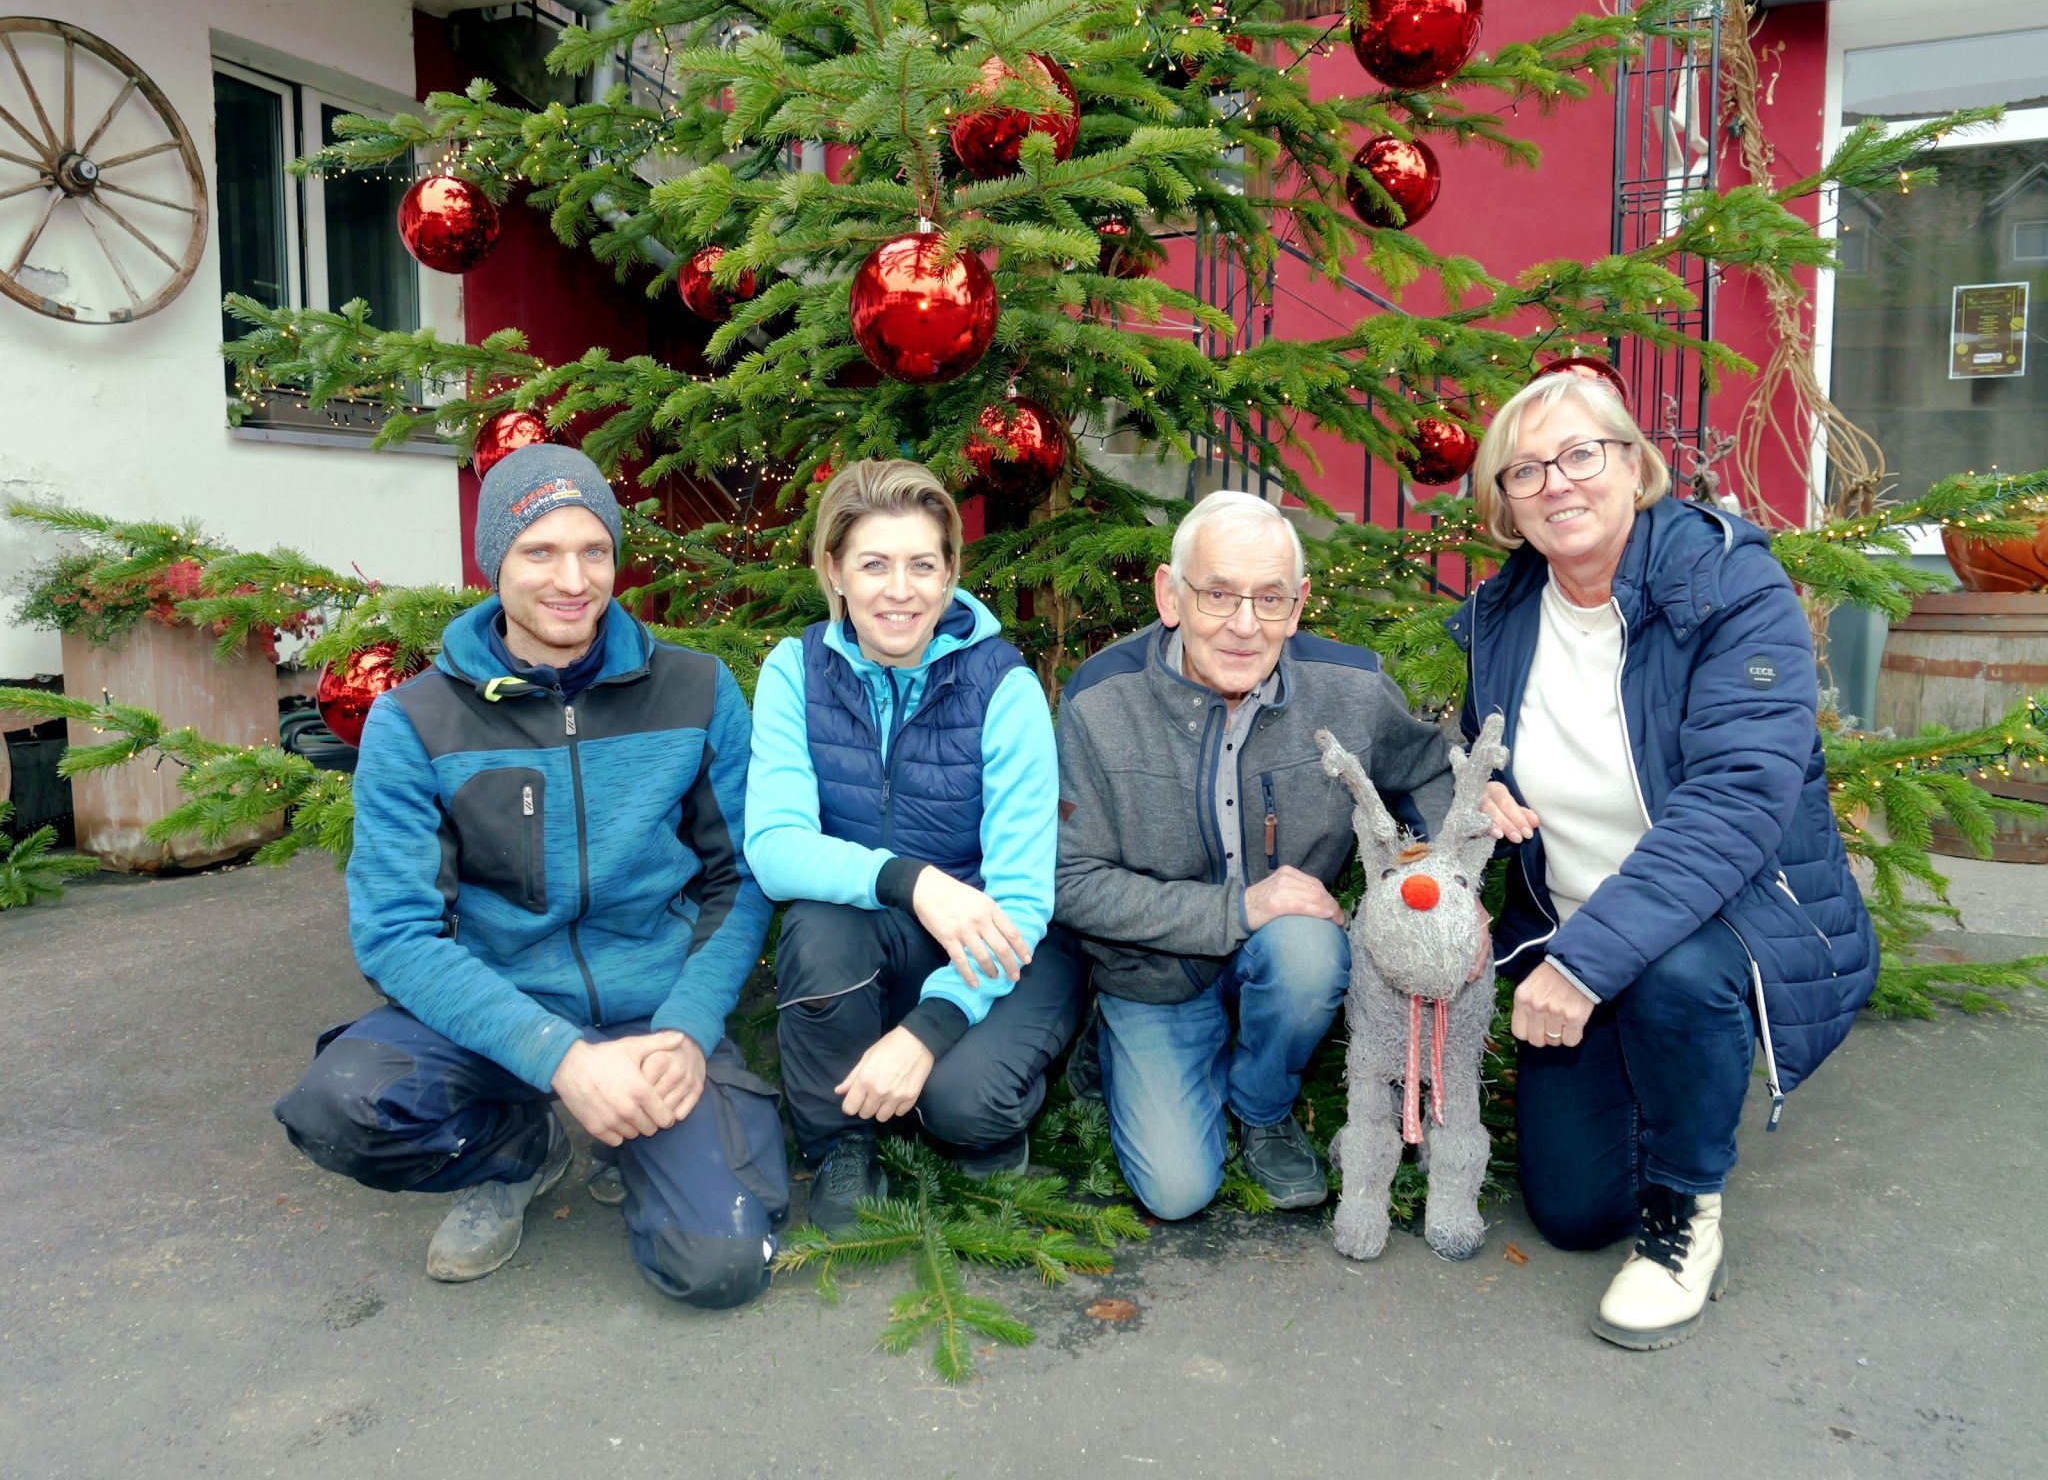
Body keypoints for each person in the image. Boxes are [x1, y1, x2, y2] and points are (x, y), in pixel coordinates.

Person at [274, 444, 787, 1309]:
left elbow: (741, 878)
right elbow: (397, 934)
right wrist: (559, 1059)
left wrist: (689, 1027)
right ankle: (525, 1148)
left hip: (653, 1021)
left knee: (723, 1263)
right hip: (497, 1018)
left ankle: (642, 1143)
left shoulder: (697, 690)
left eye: (593, 549)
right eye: (539, 551)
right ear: (494, 561)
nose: (572, 579)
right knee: (341, 1105)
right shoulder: (415, 722)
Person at [1452, 373, 1878, 1349]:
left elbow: (1732, 805)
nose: (1555, 483)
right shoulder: (1501, 613)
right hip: (1569, 923)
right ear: (1504, 506)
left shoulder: (1727, 584)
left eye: (1578, 454)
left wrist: (1582, 963)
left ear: (1632, 463)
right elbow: (1471, 749)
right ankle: (1660, 1085)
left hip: (1721, 917)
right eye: (1523, 470)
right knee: (1568, 1214)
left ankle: (1685, 1210)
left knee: (1676, 975)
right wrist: (1472, 795)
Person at [1055, 490, 1457, 1221]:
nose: (1245, 625)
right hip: (1151, 970)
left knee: (1308, 951)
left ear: (1299, 605)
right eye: (1218, 594)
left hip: (1284, 953)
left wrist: (1416, 872)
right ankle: (1115, 1043)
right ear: (1170, 596)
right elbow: (1071, 881)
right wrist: (1239, 906)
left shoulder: (1353, 689)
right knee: (1178, 1193)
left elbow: (1431, 772)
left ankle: (1264, 1107)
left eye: (1269, 599)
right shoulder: (1099, 702)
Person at [745, 460, 1085, 1232]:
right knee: (816, 921)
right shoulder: (794, 670)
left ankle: (963, 1097)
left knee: (964, 1106)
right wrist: (913, 880)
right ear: (833, 571)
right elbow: (773, 844)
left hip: (1005, 948)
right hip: (879, 933)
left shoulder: (1005, 687)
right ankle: (842, 1144)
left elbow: (1024, 902)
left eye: (921, 565)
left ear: (949, 574)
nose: (899, 589)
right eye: (873, 563)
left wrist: (926, 1032)